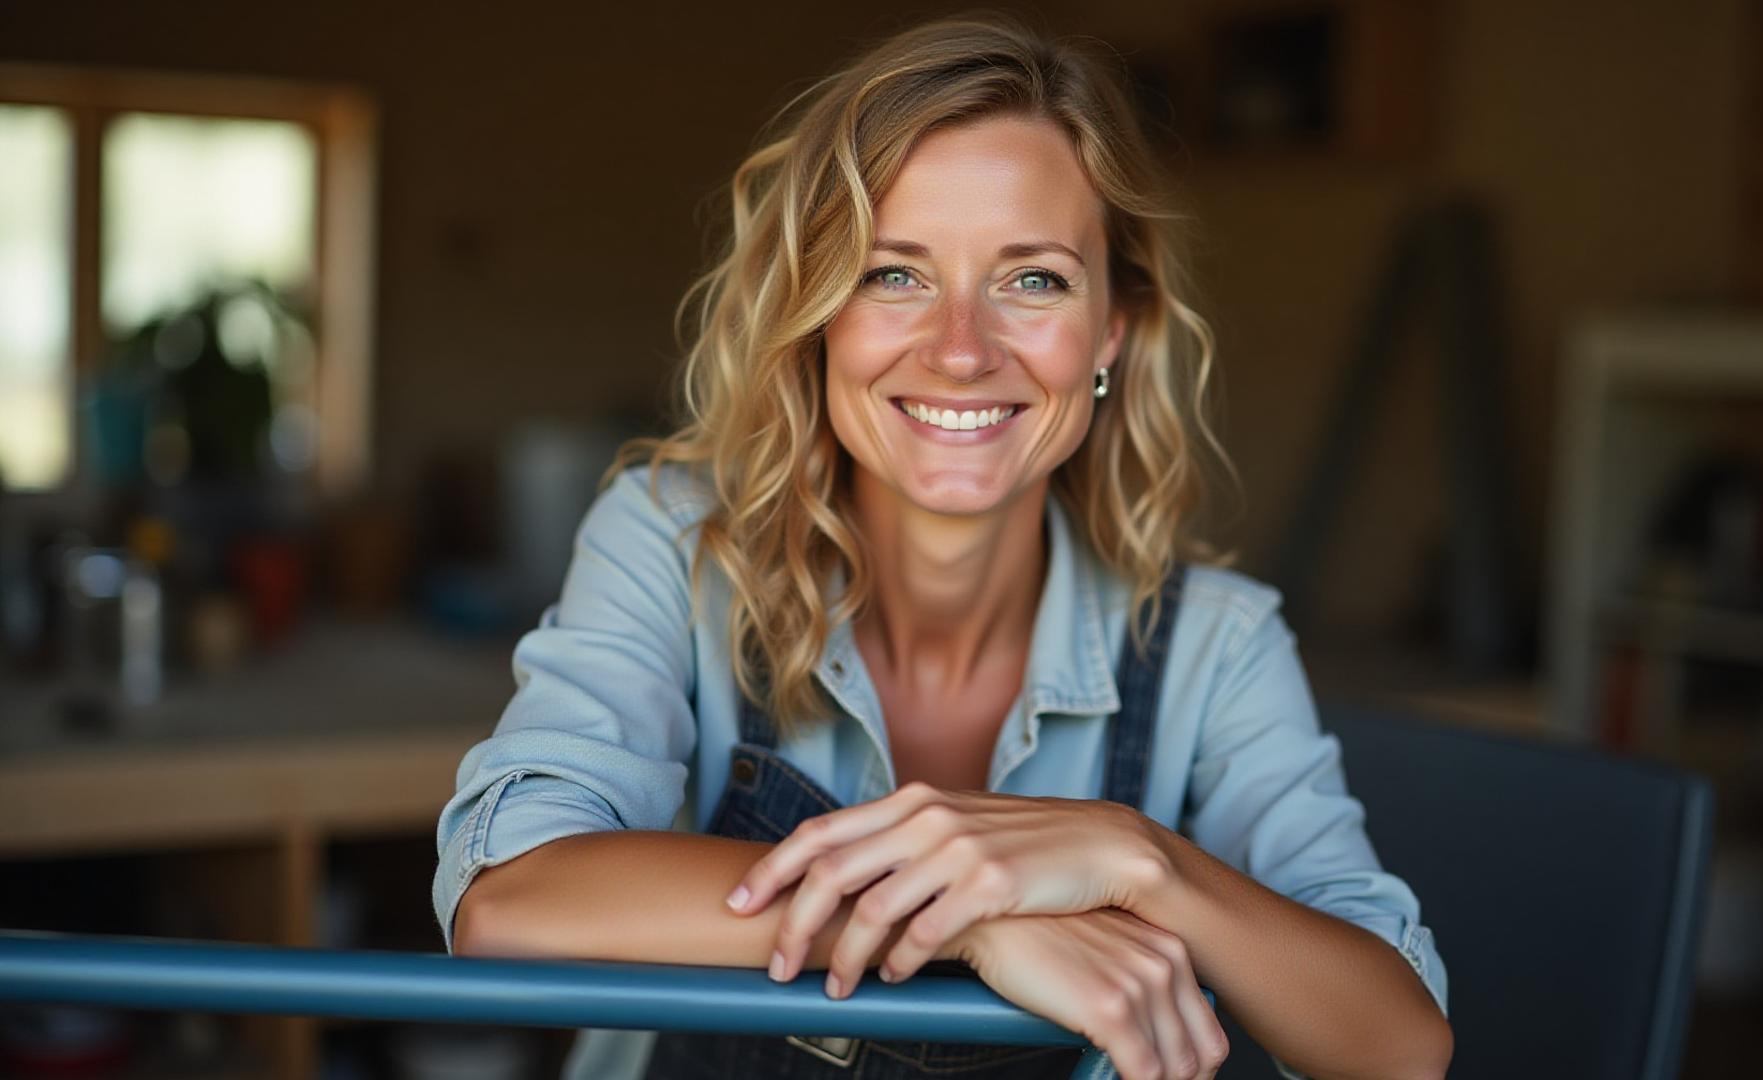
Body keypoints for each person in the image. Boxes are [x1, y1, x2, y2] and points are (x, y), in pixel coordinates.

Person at [432, 13, 1450, 1080]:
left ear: (1112, 326)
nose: (961, 351)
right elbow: (511, 903)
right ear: (816, 314)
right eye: (893, 274)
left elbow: (1398, 1045)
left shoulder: (1214, 645)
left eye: (1034, 279)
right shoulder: (675, 539)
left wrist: (1139, 861)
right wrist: (966, 921)